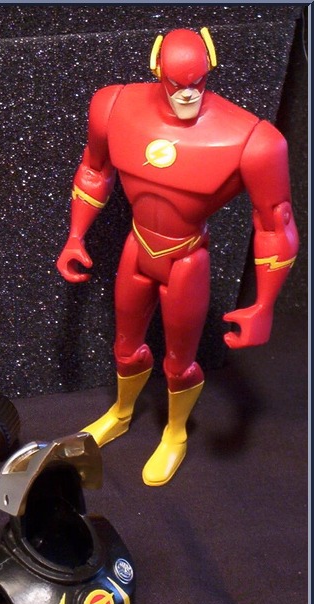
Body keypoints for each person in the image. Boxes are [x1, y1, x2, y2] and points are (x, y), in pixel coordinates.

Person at [56, 27, 298, 486]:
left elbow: (276, 225)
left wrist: (265, 304)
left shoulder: (254, 140)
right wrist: (76, 236)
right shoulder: (113, 106)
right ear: (157, 70)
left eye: (197, 83)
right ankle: (121, 413)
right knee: (125, 346)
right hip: (137, 246)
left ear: (209, 70)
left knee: (179, 360)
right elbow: (93, 170)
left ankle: (175, 432)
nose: (188, 94)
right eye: (177, 83)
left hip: (186, 257)